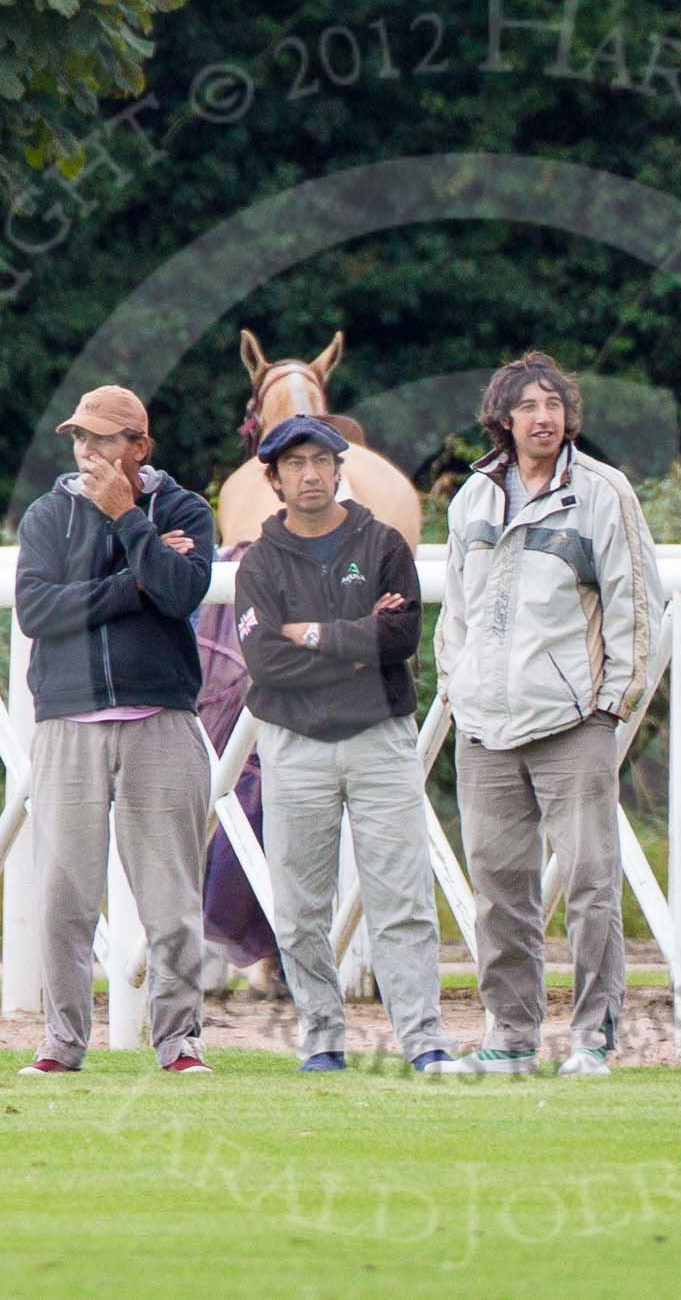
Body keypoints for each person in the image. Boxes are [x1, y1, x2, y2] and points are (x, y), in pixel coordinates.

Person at [433, 352, 665, 1076]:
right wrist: (458, 687)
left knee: (593, 884)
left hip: (573, 724)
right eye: (529, 405)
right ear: (502, 418)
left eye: (555, 404)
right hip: (484, 729)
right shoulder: (471, 498)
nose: (544, 416)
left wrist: (609, 707)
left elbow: (638, 605)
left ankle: (593, 1039)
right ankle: (509, 1037)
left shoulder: (602, 492)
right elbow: (457, 613)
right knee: (499, 894)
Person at [233, 416, 452, 1074]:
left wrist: (313, 635)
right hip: (295, 742)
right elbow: (265, 661)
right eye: (294, 463)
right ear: (273, 477)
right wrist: (352, 640)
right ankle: (322, 1035)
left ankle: (423, 1038)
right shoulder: (260, 561)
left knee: (402, 895)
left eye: (320, 461)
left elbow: (399, 638)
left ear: (338, 468)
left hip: (381, 735)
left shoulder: (383, 543)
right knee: (300, 906)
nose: (309, 474)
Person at [15, 385, 217, 1075]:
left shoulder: (183, 508)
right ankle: (61, 1044)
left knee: (171, 900)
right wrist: (133, 582)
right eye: (81, 438)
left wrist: (128, 522)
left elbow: (181, 592)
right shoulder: (47, 515)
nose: (88, 451)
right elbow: (38, 611)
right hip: (68, 719)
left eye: (104, 439)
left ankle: (179, 1041)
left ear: (140, 447)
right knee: (63, 900)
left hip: (161, 716)